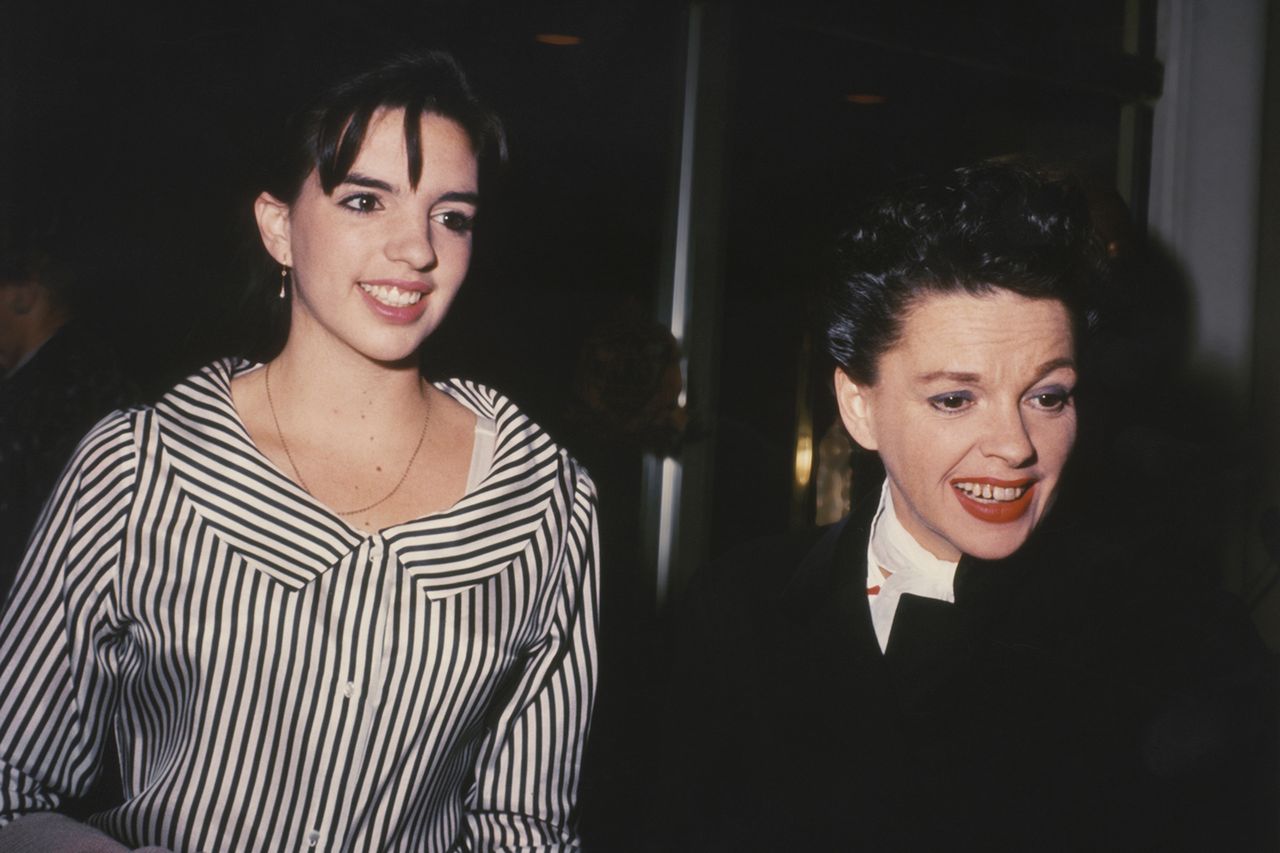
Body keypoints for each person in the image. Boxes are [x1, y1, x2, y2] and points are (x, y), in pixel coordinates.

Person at [0, 51, 599, 852]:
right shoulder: (137, 468)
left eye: (450, 215)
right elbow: (11, 783)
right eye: (364, 200)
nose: (416, 250)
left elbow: (524, 827)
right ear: (279, 226)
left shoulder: (547, 501)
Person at [664, 161, 1275, 851]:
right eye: (955, 398)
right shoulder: (734, 609)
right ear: (859, 408)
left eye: (1048, 396)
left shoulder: (1181, 638)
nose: (1015, 445)